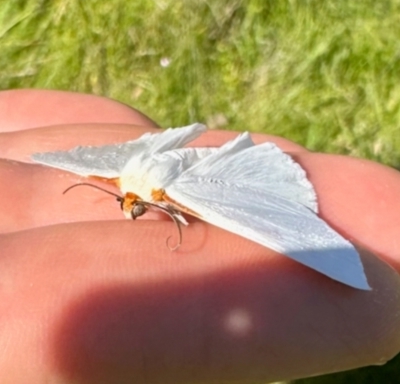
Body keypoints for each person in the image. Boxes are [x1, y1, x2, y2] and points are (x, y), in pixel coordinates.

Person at [0, 89, 399, 384]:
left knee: (248, 221)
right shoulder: (124, 182)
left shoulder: (153, 193)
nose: (134, 212)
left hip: (185, 180)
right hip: (152, 166)